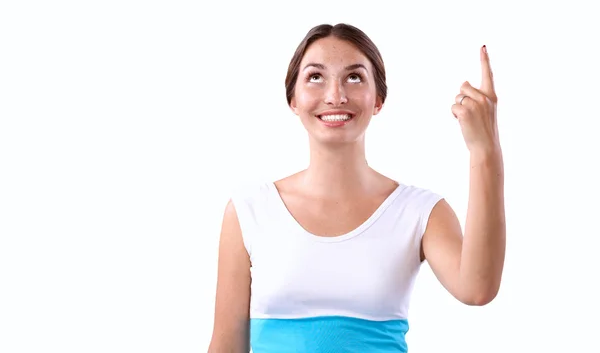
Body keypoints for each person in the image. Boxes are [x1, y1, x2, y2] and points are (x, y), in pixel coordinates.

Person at [207, 23, 505, 352]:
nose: (336, 96)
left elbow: (477, 288)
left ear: (379, 99)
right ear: (293, 98)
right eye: (316, 77)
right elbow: (226, 347)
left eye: (354, 77)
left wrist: (484, 151)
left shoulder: (420, 211)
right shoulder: (249, 211)